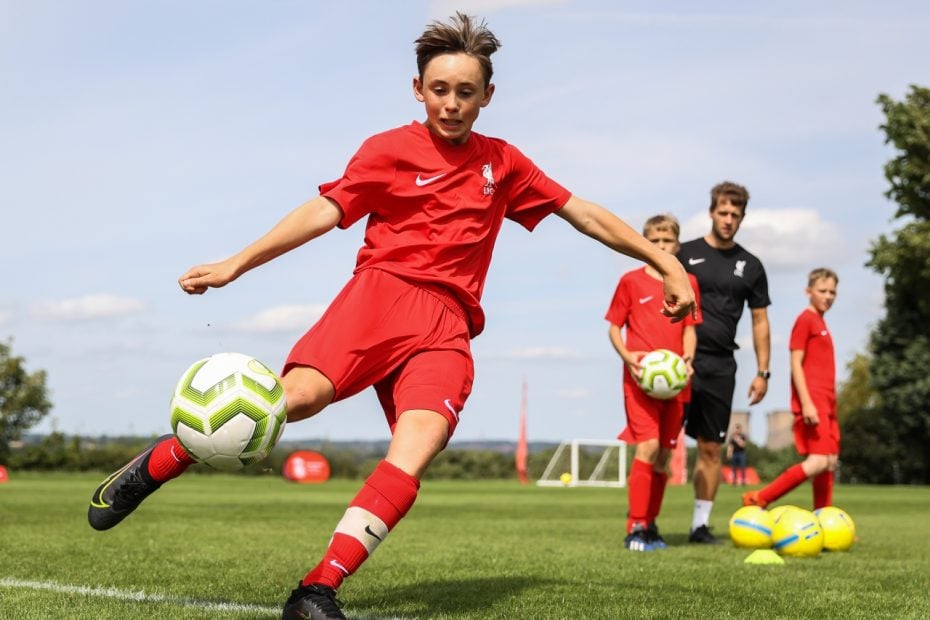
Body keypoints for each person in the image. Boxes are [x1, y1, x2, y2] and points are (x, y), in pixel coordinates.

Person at [86, 13, 696, 620]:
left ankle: (316, 590)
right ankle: (161, 461)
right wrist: (237, 263)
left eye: (464, 92)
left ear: (487, 95)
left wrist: (663, 264)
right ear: (417, 89)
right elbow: (324, 211)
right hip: (378, 299)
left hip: (448, 327)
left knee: (417, 447)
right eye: (439, 90)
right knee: (290, 401)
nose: (451, 104)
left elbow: (582, 212)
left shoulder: (503, 162)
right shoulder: (387, 150)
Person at [677, 181, 771, 544]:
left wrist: (763, 372)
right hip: (678, 362)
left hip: (720, 365)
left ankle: (700, 525)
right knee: (662, 442)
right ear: (712, 212)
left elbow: (760, 321)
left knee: (711, 447)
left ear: (742, 217)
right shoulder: (685, 254)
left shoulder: (752, 265)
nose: (728, 219)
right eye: (723, 212)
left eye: (735, 214)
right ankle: (643, 520)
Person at [605, 214, 701, 551]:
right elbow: (614, 328)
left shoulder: (687, 281)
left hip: (676, 382)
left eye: (668, 241)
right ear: (645, 243)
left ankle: (652, 524)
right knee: (646, 447)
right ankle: (636, 526)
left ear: (677, 245)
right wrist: (628, 357)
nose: (662, 247)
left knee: (664, 455)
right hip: (640, 380)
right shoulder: (630, 281)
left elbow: (690, 327)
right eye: (655, 241)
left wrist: (688, 359)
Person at [743, 268, 839, 510]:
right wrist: (806, 402)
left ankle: (824, 519)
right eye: (822, 291)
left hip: (829, 401)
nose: (827, 296)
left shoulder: (821, 322)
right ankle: (760, 498)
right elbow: (795, 362)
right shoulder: (805, 320)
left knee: (829, 462)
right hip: (813, 399)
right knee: (817, 461)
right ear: (808, 291)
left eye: (832, 292)